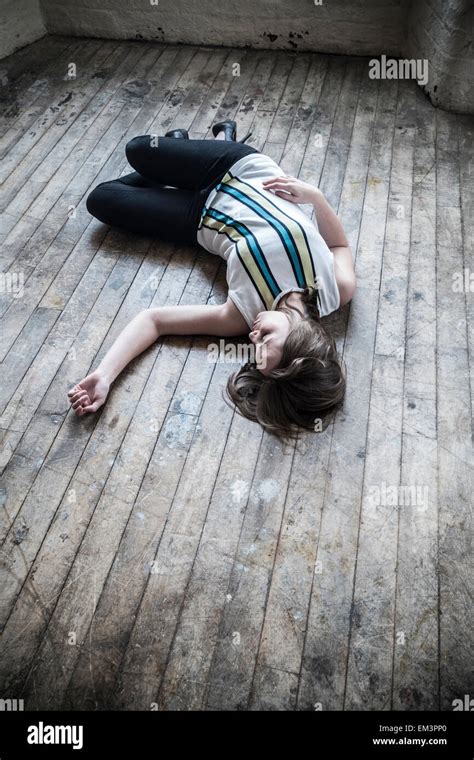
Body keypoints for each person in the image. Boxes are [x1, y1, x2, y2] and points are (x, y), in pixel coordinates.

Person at [68, 121, 356, 439]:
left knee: (102, 198)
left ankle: (183, 159)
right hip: (235, 168)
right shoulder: (335, 289)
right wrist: (316, 199)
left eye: (254, 347)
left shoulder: (239, 316)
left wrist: (105, 375)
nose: (253, 337)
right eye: (266, 339)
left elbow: (155, 321)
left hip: (200, 216)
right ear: (301, 338)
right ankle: (215, 145)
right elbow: (339, 245)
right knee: (138, 150)